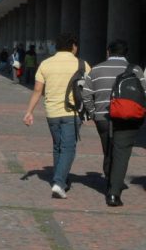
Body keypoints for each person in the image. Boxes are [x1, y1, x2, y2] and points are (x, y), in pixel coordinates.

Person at [23, 33, 90, 199]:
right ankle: (59, 182)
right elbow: (90, 88)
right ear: (73, 46)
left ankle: (62, 179)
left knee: (58, 146)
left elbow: (38, 90)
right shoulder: (82, 64)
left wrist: (29, 111)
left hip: (51, 112)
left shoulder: (46, 64)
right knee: (68, 147)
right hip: (72, 112)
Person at [82, 39, 146, 207]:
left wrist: (93, 113)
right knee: (121, 153)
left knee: (109, 150)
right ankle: (114, 192)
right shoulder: (136, 70)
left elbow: (86, 95)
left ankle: (111, 180)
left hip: (103, 118)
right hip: (128, 118)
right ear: (126, 53)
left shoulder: (96, 69)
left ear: (108, 52)